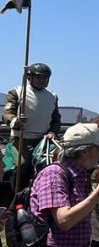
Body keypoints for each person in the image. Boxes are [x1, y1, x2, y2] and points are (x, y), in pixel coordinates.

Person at [4, 62, 61, 191]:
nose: (42, 80)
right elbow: (7, 114)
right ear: (29, 77)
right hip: (21, 139)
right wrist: (16, 121)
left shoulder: (53, 96)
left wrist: (53, 132)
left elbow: (56, 120)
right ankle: (17, 201)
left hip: (44, 140)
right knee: (21, 166)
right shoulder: (17, 92)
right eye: (39, 77)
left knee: (53, 165)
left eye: (45, 77)